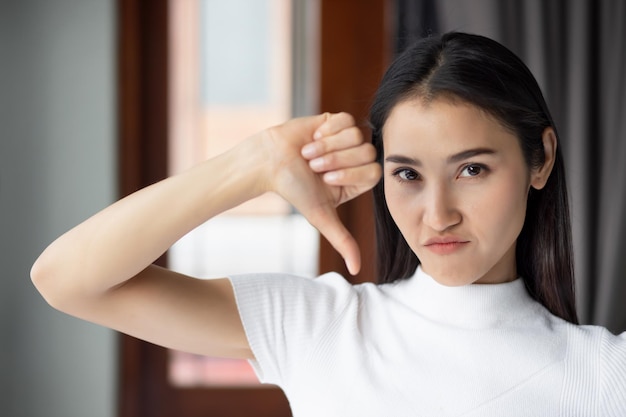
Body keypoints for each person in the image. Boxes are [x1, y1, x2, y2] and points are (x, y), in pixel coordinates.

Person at [32, 32, 625, 416]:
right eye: (408, 175)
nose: (437, 214)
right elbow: (65, 279)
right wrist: (254, 163)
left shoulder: (603, 375)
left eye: (471, 169)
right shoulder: (322, 326)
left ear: (540, 159)